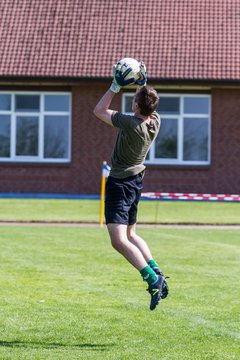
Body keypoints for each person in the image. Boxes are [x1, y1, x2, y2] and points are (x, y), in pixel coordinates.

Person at [93, 63, 168, 310]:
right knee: (132, 234)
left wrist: (116, 85)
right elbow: (148, 100)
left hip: (121, 184)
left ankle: (152, 277)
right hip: (136, 183)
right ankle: (158, 270)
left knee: (118, 240)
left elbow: (99, 110)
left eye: (134, 98)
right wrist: (142, 82)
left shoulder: (129, 123)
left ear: (136, 105)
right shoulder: (154, 121)